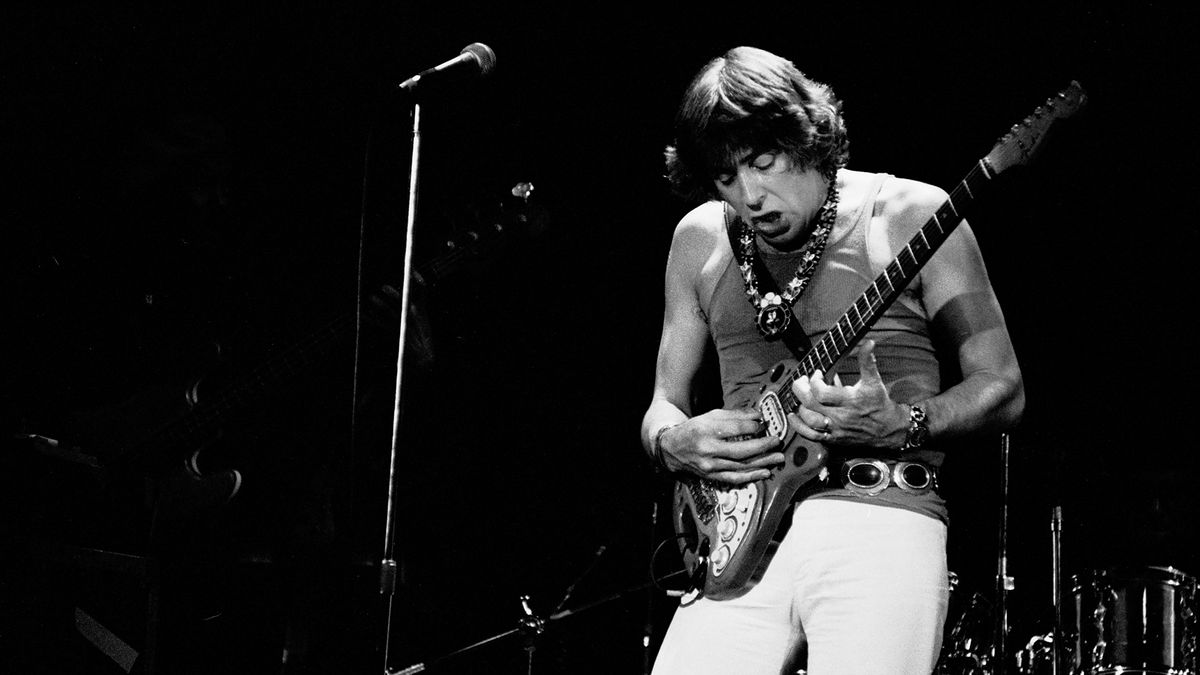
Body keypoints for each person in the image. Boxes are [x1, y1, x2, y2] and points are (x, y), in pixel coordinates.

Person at [640, 46, 1024, 674]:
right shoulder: (698, 240)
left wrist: (904, 423)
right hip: (736, 543)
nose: (750, 194)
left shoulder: (909, 214)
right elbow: (663, 403)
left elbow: (1003, 386)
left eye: (763, 162)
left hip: (879, 514)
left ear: (807, 135)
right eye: (726, 178)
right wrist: (672, 440)